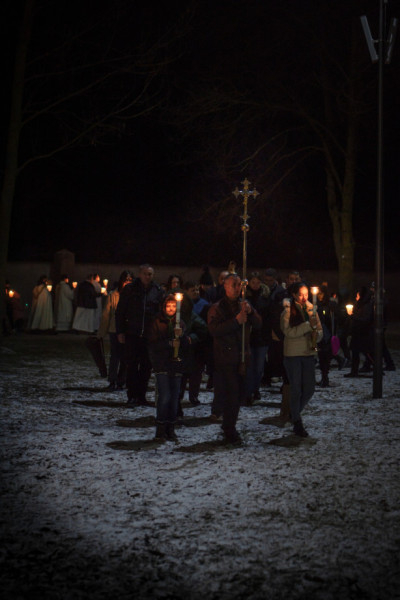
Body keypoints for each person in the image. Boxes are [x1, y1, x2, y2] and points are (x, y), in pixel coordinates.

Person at [208, 273, 262, 444]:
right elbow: (215, 330)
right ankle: (229, 428)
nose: (237, 288)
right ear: (225, 286)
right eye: (234, 285)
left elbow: (258, 324)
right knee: (231, 394)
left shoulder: (243, 305)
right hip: (225, 357)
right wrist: (236, 321)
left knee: (239, 395)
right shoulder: (217, 308)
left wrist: (250, 312)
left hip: (242, 357)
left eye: (239, 285)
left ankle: (229, 425)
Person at [116, 264, 164, 406]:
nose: (147, 277)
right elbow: (120, 311)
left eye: (150, 274)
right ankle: (132, 395)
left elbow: (159, 312)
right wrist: (120, 331)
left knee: (146, 366)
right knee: (131, 365)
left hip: (149, 335)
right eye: (145, 274)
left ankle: (141, 395)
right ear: (140, 274)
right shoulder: (130, 289)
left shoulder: (157, 290)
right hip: (132, 333)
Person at [280, 282, 323, 437]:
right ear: (294, 295)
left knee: (309, 388)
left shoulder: (312, 309)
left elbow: (319, 329)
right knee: (296, 388)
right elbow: (288, 331)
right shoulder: (287, 310)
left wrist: (316, 336)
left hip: (308, 353)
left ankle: (294, 413)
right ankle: (297, 421)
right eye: (300, 294)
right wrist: (307, 326)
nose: (304, 297)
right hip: (293, 354)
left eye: (306, 294)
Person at [148, 294, 191, 441]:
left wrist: (182, 336)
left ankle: (170, 428)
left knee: (174, 398)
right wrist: (169, 343)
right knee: (165, 396)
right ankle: (160, 427)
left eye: (174, 306)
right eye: (168, 306)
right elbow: (153, 344)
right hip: (162, 364)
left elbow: (186, 345)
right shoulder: (157, 322)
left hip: (176, 366)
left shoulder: (180, 323)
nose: (171, 309)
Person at [97, 270, 133, 391]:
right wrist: (101, 333)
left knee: (126, 358)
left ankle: (122, 381)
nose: (127, 282)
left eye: (130, 280)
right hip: (115, 329)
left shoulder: (134, 295)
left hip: (128, 330)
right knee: (115, 356)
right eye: (126, 280)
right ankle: (112, 380)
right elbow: (106, 314)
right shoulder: (113, 295)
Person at [244, 272, 270, 404]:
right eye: (253, 282)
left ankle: (256, 389)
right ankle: (248, 391)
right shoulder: (244, 297)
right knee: (249, 367)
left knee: (259, 367)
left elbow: (268, 316)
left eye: (258, 282)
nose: (255, 285)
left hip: (261, 337)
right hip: (249, 337)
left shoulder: (265, 297)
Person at [344, 286, 374, 378]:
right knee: (355, 352)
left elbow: (366, 319)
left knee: (366, 352)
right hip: (357, 332)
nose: (356, 297)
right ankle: (354, 371)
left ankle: (377, 368)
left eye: (358, 296)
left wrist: (353, 316)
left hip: (363, 333)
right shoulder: (360, 305)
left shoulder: (366, 306)